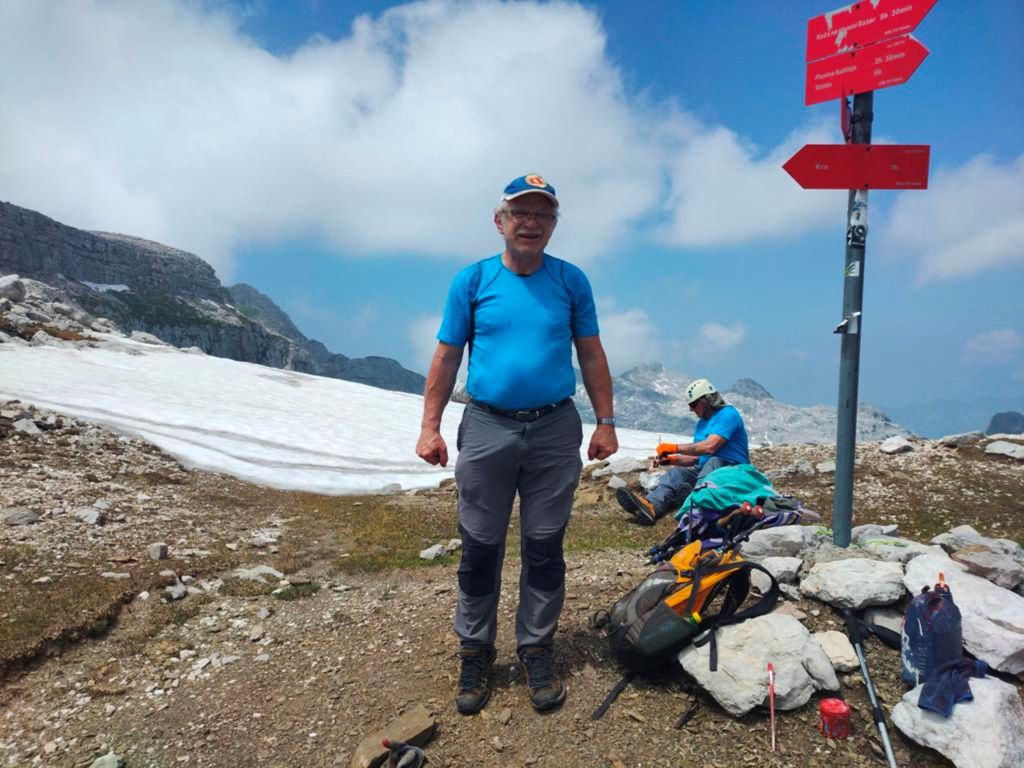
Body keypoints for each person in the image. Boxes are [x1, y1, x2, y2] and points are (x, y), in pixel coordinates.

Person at [416, 173, 618, 715]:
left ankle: (535, 648)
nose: (531, 223)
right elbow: (446, 355)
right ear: (499, 221)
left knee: (545, 545)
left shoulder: (571, 281)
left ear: (552, 225)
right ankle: (475, 650)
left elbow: (591, 353)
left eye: (542, 215)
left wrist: (605, 421)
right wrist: (430, 426)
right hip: (487, 424)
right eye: (520, 213)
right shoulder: (473, 281)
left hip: (554, 426)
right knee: (480, 546)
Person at [616, 378, 749, 525]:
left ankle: (696, 504)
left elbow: (710, 446)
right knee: (676, 474)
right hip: (705, 471)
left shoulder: (728, 414)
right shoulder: (701, 424)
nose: (691, 409)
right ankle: (651, 506)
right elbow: (696, 457)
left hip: (732, 470)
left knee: (713, 462)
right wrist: (671, 459)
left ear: (706, 400)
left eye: (693, 404)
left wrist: (674, 447)